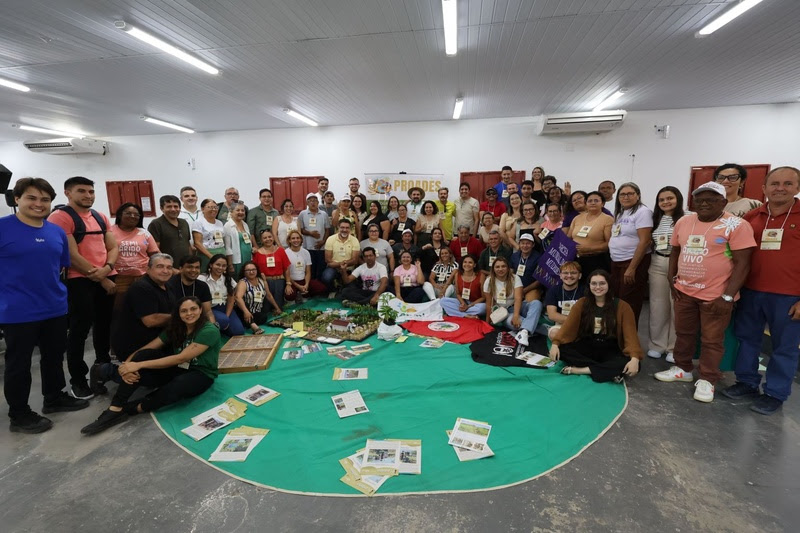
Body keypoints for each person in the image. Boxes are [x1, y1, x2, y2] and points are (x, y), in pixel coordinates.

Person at [1, 177, 88, 433]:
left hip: (55, 307)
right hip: (18, 311)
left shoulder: (55, 231)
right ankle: (19, 414)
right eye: (31, 198)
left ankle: (54, 398)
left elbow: (60, 266)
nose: (39, 204)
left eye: (45, 199)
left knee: (53, 357)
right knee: (19, 364)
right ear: (17, 199)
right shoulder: (3, 228)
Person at [655, 181, 756, 403]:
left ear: (724, 201)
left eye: (711, 199)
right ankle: (682, 368)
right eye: (700, 199)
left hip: (716, 295)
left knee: (712, 340)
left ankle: (708, 379)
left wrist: (727, 296)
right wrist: (672, 280)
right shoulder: (684, 221)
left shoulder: (736, 225)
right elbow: (675, 252)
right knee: (684, 333)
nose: (704, 203)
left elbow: (743, 264)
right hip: (685, 291)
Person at [81, 296, 221, 435]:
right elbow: (150, 347)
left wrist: (138, 365)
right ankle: (115, 408)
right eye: (184, 311)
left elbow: (181, 358)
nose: (189, 313)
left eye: (193, 309)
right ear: (178, 314)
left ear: (201, 309)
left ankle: (136, 407)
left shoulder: (209, 330)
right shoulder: (177, 328)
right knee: (143, 356)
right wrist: (128, 365)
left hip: (201, 374)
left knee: (177, 386)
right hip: (179, 369)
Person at [723, 167, 800, 415]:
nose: (780, 188)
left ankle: (775, 393)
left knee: (784, 347)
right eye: (774, 183)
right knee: (747, 340)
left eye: (788, 183)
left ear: (797, 188)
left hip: (790, 296)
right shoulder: (752, 218)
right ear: (764, 188)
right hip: (751, 292)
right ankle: (746, 382)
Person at [48, 176, 118, 400]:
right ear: (68, 193)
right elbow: (70, 255)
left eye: (91, 191)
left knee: (104, 326)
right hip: (80, 280)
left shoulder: (100, 217)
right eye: (82, 191)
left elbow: (112, 246)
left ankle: (102, 369)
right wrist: (99, 276)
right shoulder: (60, 217)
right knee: (79, 331)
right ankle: (78, 380)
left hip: (106, 275)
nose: (88, 195)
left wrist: (107, 269)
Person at [549, 270, 642, 382]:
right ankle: (608, 370)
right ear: (589, 286)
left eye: (602, 283)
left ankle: (582, 370)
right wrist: (555, 344)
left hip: (610, 347)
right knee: (562, 350)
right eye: (594, 283)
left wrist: (635, 358)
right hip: (588, 344)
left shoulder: (622, 306)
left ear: (609, 284)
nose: (598, 287)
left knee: (633, 363)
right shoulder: (582, 303)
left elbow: (630, 335)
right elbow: (567, 327)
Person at [109, 253, 176, 371]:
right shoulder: (141, 287)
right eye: (160, 266)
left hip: (158, 340)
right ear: (148, 269)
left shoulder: (167, 286)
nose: (165, 271)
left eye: (169, 267)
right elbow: (150, 320)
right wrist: (180, 317)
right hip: (135, 345)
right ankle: (105, 371)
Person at [647, 186, 685, 362]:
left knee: (676, 306)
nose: (665, 202)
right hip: (657, 262)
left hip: (679, 264)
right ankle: (657, 345)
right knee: (657, 305)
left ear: (678, 199)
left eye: (670, 198)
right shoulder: (655, 219)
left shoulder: (686, 218)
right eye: (661, 199)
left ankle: (673, 348)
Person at [608, 182, 653, 324]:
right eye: (622, 194)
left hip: (632, 263)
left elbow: (645, 241)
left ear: (638, 195)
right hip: (617, 261)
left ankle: (630, 340)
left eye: (630, 193)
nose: (626, 197)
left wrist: (632, 268)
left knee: (629, 303)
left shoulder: (642, 212)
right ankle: (619, 337)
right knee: (618, 300)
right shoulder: (621, 212)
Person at [111, 202, 160, 310]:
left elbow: (155, 255)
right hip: (118, 279)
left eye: (136, 214)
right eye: (128, 213)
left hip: (142, 278)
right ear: (120, 215)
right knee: (119, 310)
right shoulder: (110, 232)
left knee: (142, 309)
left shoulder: (144, 233)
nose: (132, 216)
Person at [483, 256, 541, 346]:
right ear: (493, 269)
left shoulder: (515, 278)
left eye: (503, 266)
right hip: (504, 312)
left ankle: (523, 332)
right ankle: (547, 331)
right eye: (497, 267)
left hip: (518, 306)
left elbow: (518, 298)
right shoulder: (489, 281)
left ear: (508, 268)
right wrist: (487, 322)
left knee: (537, 303)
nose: (500, 269)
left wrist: (516, 316)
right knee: (515, 323)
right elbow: (489, 303)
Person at [567, 191, 613, 276]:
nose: (593, 203)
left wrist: (589, 248)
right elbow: (568, 238)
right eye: (590, 201)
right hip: (576, 259)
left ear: (602, 203)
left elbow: (609, 244)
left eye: (596, 201)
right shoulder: (577, 218)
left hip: (596, 260)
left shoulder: (607, 219)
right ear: (586, 203)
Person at [199, 254, 244, 337]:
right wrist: (225, 319)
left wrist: (227, 315)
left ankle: (222, 326)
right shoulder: (202, 278)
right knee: (223, 320)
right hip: (209, 308)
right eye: (218, 265)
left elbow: (231, 299)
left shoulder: (227, 279)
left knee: (239, 331)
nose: (220, 268)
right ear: (211, 265)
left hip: (224, 307)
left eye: (224, 266)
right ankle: (219, 326)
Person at [166, 255, 216, 326]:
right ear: (181, 269)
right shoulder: (170, 285)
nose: (194, 270)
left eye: (197, 267)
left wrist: (214, 327)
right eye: (190, 267)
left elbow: (208, 312)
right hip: (176, 322)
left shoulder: (203, 286)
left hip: (197, 321)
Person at [235, 261, 280, 334]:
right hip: (244, 311)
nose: (251, 272)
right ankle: (253, 326)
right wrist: (246, 312)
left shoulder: (261, 280)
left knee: (264, 318)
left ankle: (247, 322)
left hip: (256, 312)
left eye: (253, 269)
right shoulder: (243, 282)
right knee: (243, 304)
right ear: (244, 272)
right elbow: (238, 297)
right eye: (248, 270)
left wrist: (277, 308)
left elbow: (268, 295)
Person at [148, 195, 193, 266]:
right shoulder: (156, 224)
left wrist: (191, 262)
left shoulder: (184, 223)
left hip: (184, 267)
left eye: (176, 206)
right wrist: (167, 267)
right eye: (169, 207)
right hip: (167, 268)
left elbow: (188, 245)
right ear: (161, 208)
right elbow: (154, 250)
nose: (173, 209)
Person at [543, 261, 584, 340]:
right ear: (560, 275)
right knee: (554, 334)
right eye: (565, 273)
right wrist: (572, 321)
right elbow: (552, 315)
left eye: (573, 273)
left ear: (580, 275)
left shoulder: (585, 290)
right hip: (562, 324)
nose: (569, 276)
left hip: (581, 324)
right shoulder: (553, 290)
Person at [253, 229, 291, 310]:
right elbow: (255, 270)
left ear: (273, 238)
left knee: (279, 306)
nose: (268, 239)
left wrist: (288, 283)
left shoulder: (280, 250)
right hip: (265, 283)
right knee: (266, 307)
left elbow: (286, 268)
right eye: (265, 238)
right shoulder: (257, 253)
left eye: (269, 237)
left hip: (279, 281)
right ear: (261, 240)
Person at [285, 230, 327, 303]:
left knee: (321, 288)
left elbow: (308, 271)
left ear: (301, 239)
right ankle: (297, 294)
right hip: (292, 281)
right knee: (290, 295)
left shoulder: (306, 252)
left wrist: (306, 284)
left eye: (298, 238)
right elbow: (286, 273)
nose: (296, 240)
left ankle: (304, 294)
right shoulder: (285, 253)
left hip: (303, 280)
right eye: (293, 238)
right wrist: (298, 286)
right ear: (289, 240)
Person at [297, 193, 331, 280]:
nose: (313, 203)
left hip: (321, 248)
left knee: (320, 270)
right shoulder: (302, 214)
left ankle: (320, 290)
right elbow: (300, 229)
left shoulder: (323, 214)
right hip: (307, 247)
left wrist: (323, 241)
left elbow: (327, 229)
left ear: (318, 202)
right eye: (310, 201)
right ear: (307, 203)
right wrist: (310, 233)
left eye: (315, 201)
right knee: (309, 270)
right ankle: (310, 288)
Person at [322, 219, 361, 291]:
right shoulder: (330, 239)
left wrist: (344, 265)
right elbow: (328, 260)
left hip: (348, 269)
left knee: (352, 289)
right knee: (326, 277)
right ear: (338, 228)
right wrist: (341, 264)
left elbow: (355, 260)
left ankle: (342, 286)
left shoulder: (355, 240)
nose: (344, 230)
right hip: (334, 268)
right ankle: (333, 290)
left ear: (350, 229)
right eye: (342, 227)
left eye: (347, 228)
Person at [191, 199, 225, 272]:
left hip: (221, 252)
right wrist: (211, 256)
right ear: (203, 209)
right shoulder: (198, 222)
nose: (214, 209)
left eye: (215, 207)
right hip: (206, 254)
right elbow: (197, 243)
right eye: (210, 207)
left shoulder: (219, 223)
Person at [510, 234, 544, 303]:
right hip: (515, 287)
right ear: (519, 244)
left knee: (530, 303)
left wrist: (524, 290)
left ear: (533, 245)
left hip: (531, 289)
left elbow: (539, 280)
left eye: (528, 243)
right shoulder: (514, 256)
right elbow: (510, 273)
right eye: (522, 243)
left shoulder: (539, 258)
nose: (525, 246)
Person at [223, 202, 252, 278]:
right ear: (231, 212)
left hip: (248, 258)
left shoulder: (245, 224)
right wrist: (230, 264)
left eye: (242, 210)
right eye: (238, 210)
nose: (241, 212)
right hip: (236, 261)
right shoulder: (228, 226)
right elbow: (227, 247)